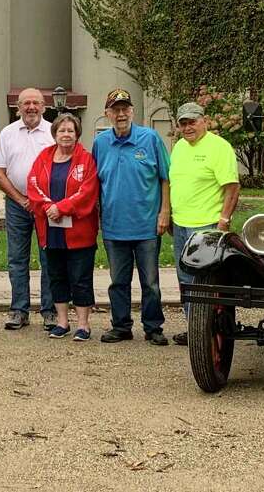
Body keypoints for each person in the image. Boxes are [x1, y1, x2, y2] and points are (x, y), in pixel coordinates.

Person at [91, 88, 172, 346]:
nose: (121, 114)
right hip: (114, 227)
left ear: (133, 112)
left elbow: (165, 178)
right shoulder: (101, 143)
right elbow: (95, 184)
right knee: (118, 282)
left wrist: (165, 213)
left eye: (125, 109)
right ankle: (121, 325)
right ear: (107, 114)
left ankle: (153, 327)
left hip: (147, 225)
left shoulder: (150, 139)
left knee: (150, 282)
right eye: (115, 109)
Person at [168, 100, 240, 346]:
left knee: (205, 282)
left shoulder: (219, 147)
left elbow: (232, 187)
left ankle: (209, 330)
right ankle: (194, 329)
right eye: (183, 123)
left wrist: (224, 221)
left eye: (192, 122)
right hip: (181, 224)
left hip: (206, 225)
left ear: (204, 121)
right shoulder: (178, 148)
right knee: (185, 280)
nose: (188, 127)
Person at [26, 113, 100, 340]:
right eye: (61, 131)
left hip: (79, 231)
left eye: (70, 130)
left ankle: (83, 325)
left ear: (77, 134)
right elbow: (33, 183)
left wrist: (63, 207)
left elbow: (88, 190)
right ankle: (61, 321)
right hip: (51, 230)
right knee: (56, 275)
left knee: (80, 277)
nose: (66, 135)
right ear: (55, 134)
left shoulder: (85, 159)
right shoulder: (44, 156)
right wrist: (49, 206)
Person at [0, 88, 56, 330]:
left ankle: (49, 311)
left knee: (48, 258)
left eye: (35, 103)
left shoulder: (53, 132)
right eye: (26, 103)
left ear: (44, 106)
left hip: (47, 207)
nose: (31, 107)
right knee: (17, 259)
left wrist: (44, 201)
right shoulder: (7, 133)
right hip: (17, 205)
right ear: (17, 108)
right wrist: (21, 199)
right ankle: (19, 309)